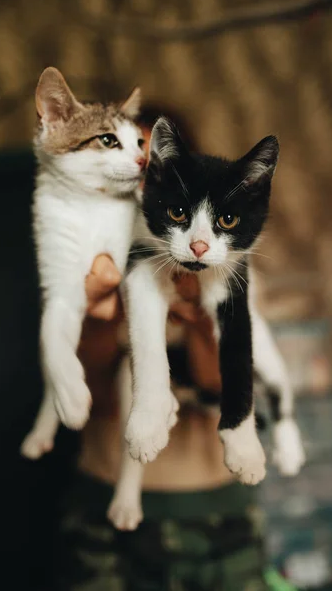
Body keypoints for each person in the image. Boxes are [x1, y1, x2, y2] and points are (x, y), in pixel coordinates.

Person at [55, 108, 297, 591]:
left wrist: (195, 318)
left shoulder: (229, 259)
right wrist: (110, 307)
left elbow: (216, 381)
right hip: (104, 501)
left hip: (215, 512)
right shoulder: (92, 255)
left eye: (146, 164)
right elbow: (83, 398)